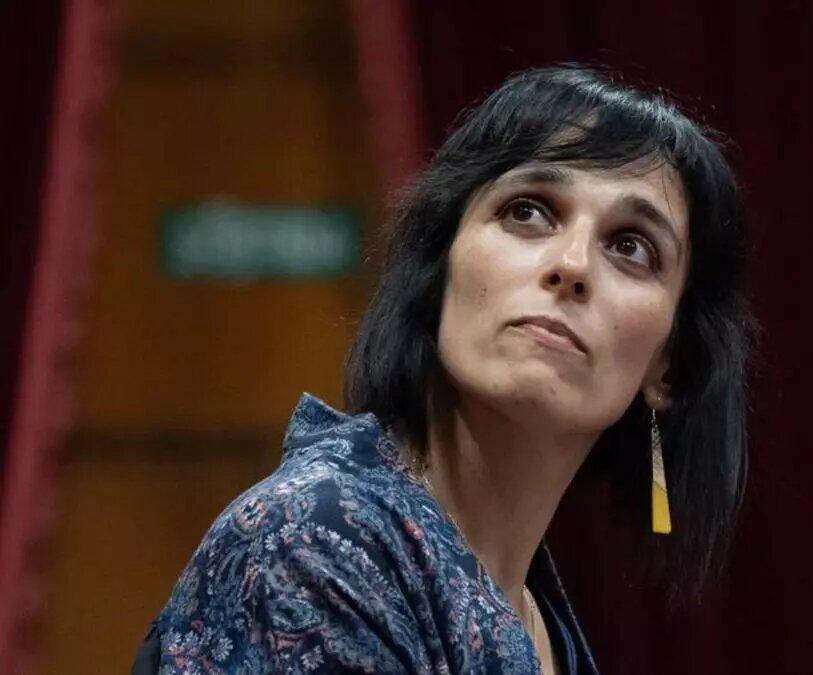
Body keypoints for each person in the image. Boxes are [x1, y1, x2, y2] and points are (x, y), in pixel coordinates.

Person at [133, 65, 753, 674]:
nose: (572, 264)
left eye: (630, 246)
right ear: (438, 271)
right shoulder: (315, 541)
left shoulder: (537, 615)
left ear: (667, 369)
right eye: (528, 211)